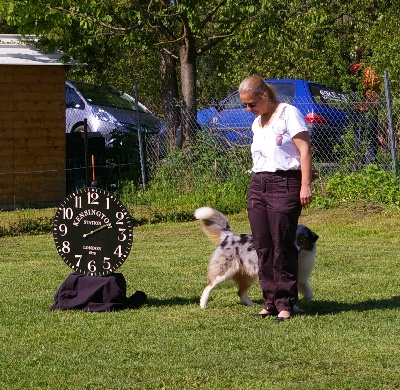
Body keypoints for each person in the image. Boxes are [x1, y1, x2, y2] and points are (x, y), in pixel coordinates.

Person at [238, 75, 313, 322]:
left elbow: (304, 150)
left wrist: (305, 184)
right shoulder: (257, 123)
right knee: (263, 245)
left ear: (265, 96)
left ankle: (285, 303)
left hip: (285, 182)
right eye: (245, 106)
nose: (249, 109)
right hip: (258, 183)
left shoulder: (288, 113)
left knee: (282, 244)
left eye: (251, 104)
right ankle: (269, 301)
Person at [349, 48, 381, 163]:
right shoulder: (370, 70)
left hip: (359, 106)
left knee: (359, 134)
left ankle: (359, 160)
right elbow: (375, 88)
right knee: (370, 135)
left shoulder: (356, 69)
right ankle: (370, 162)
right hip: (369, 106)